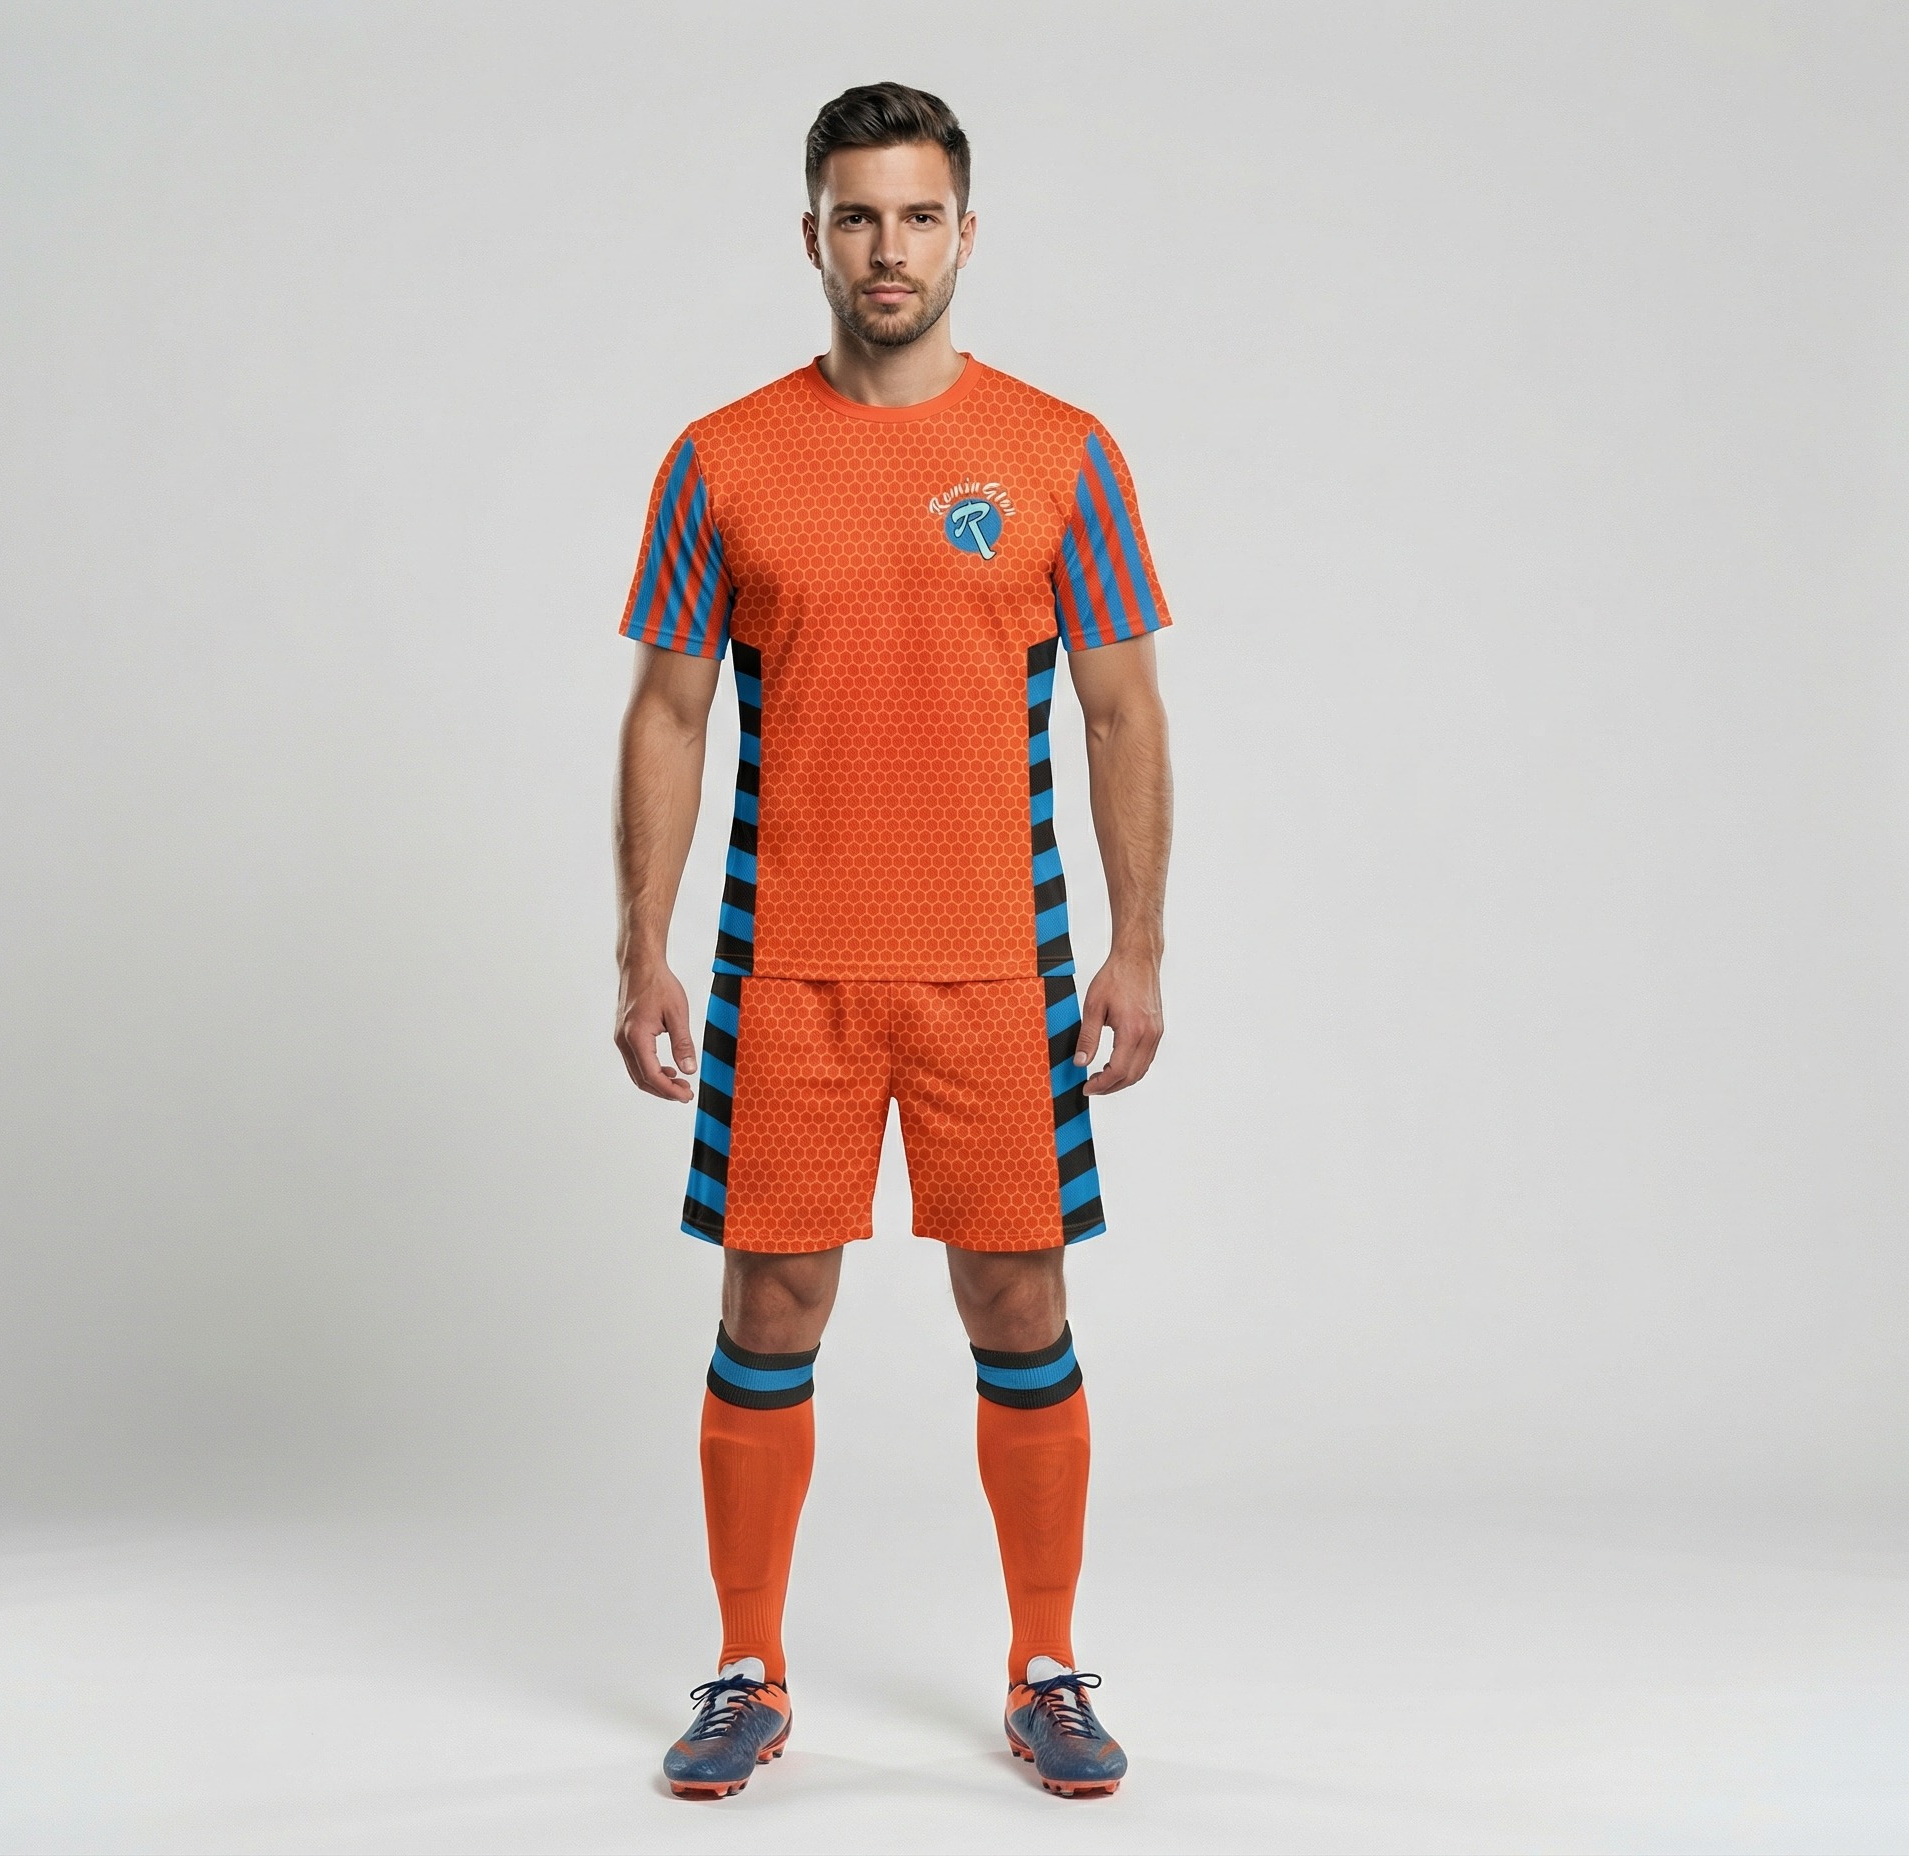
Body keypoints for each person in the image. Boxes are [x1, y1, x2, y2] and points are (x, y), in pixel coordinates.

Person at [610, 81, 1173, 1801]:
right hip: (788, 968)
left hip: (999, 966)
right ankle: (747, 1669)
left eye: (919, 216)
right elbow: (668, 710)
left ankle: (1046, 1664)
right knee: (771, 1303)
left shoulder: (1063, 452)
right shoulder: (722, 458)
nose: (888, 248)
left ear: (965, 235)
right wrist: (642, 947)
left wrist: (1137, 947)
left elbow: (1123, 711)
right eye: (857, 216)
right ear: (812, 235)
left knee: (1019, 1296)